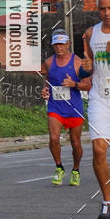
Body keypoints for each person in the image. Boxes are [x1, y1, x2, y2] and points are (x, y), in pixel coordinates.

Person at [81, 0, 110, 219]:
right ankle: (106, 201)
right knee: (98, 149)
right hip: (100, 98)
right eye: (103, 9)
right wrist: (86, 66)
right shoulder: (91, 33)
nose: (107, 13)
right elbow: (90, 65)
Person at [41, 31, 89, 186]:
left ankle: (76, 170)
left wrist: (74, 84)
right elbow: (48, 80)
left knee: (75, 142)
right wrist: (45, 89)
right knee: (54, 138)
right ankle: (59, 167)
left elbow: (88, 85)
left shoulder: (78, 62)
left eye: (62, 44)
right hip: (55, 106)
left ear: (68, 44)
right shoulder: (49, 62)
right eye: (56, 44)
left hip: (74, 107)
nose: (59, 47)